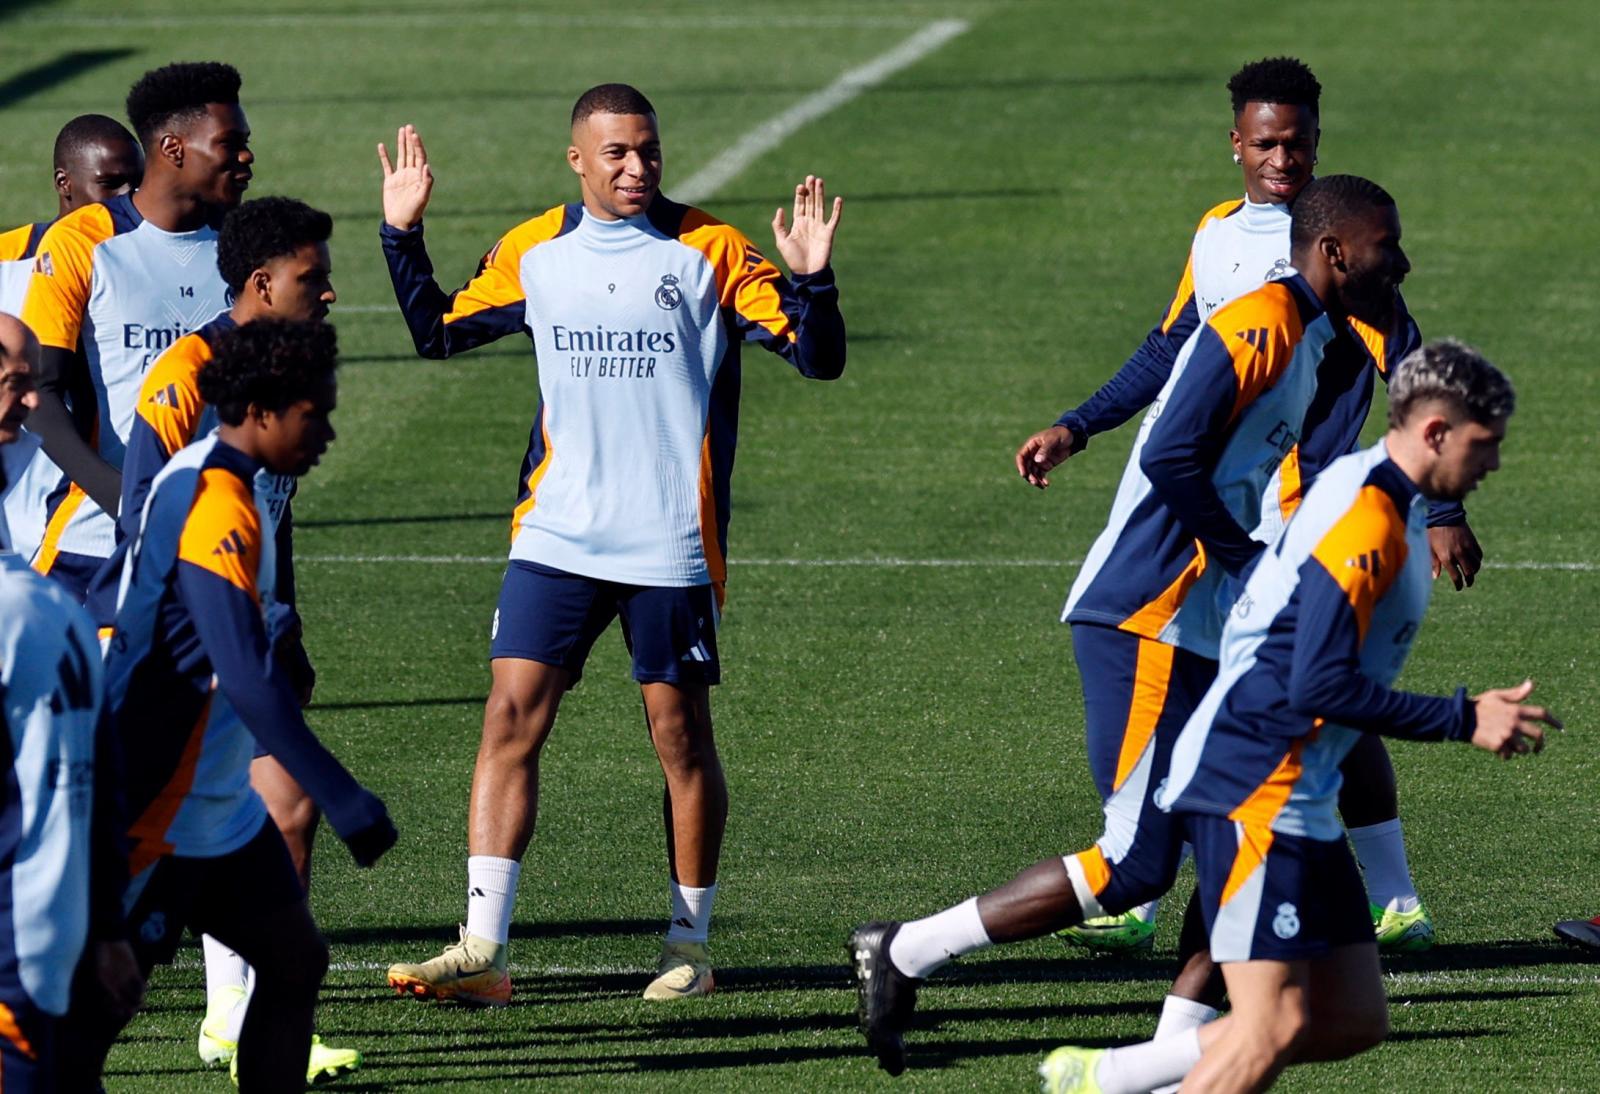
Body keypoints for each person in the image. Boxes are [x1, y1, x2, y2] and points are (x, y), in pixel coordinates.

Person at [848, 175, 1410, 1076]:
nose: (1403, 260)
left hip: (1202, 622)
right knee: (1136, 864)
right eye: (1389, 244)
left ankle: (1164, 1051)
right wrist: (1251, 560)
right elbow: (1169, 455)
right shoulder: (1261, 324)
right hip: (1147, 612)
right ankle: (906, 949)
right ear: (1336, 252)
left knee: (1244, 814)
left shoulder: (1310, 338)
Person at [376, 82, 846, 1004]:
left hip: (669, 540)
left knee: (680, 737)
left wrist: (813, 279)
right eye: (618, 154)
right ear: (578, 160)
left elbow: (817, 357)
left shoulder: (711, 249)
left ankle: (690, 945)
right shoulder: (533, 249)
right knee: (509, 721)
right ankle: (483, 949)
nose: (638, 169)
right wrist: (402, 236)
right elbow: (437, 332)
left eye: (650, 152)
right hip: (555, 531)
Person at [1015, 58, 1451, 966]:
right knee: (1209, 702)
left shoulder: (1340, 244)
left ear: (1317, 142)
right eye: (1265, 143)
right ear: (1235, 144)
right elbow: (1170, 344)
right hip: (1220, 518)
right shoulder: (1216, 236)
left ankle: (1395, 897)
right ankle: (1146, 885)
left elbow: (1407, 371)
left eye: (1297, 142)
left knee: (1316, 698)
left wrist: (1437, 507)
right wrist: (1078, 425)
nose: (1282, 158)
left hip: (1297, 520)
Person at [1038, 340, 1554, 1094]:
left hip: (1300, 797)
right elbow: (1315, 684)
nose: (1495, 463)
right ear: (1438, 431)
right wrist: (1461, 716)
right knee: (1267, 1027)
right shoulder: (1369, 523)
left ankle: (1112, 1077)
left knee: (1351, 1018)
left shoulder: (1378, 490)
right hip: (1254, 787)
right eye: (1487, 443)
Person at [58, 319, 396, 1091]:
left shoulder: (234, 482)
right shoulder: (215, 502)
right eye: (319, 413)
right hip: (153, 810)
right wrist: (347, 801)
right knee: (86, 1026)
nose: (331, 432)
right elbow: (243, 676)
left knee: (294, 960)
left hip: (218, 811)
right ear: (264, 412)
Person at [104, 195, 355, 1077]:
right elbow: (144, 525)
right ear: (261, 282)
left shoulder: (276, 392)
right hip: (166, 710)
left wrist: (282, 621)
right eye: (312, 278)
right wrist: (353, 795)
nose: (328, 292)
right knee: (102, 990)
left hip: (238, 661)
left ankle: (230, 1012)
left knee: (295, 942)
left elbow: (266, 527)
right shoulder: (194, 390)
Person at [19, 62, 250, 601]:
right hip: (93, 545)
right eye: (230, 142)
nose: (246, 157)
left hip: (214, 543)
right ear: (173, 149)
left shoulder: (246, 248)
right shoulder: (83, 241)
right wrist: (129, 502)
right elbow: (38, 393)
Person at [0, 312, 145, 1092]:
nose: (31, 406)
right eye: (17, 383)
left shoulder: (34, 588)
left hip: (50, 951)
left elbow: (86, 776)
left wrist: (110, 932)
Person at [0, 114, 143, 561]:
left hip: (80, 521)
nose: (126, 200)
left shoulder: (137, 267)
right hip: (26, 519)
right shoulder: (7, 261)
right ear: (65, 182)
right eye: (111, 184)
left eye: (135, 185)